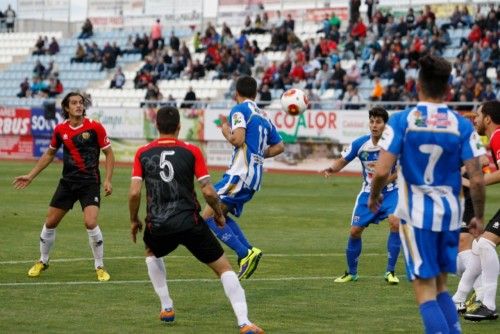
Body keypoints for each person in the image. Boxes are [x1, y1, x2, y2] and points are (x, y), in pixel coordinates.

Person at [368, 54, 486, 333]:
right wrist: (478, 216)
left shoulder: (402, 121)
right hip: (450, 214)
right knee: (441, 285)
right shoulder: (462, 124)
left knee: (424, 290)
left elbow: (383, 170)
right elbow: (478, 178)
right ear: (447, 88)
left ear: (417, 85)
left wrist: (374, 196)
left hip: (418, 215)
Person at [128, 106, 264, 334]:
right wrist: (219, 215)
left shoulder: (142, 152)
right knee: (224, 269)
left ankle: (167, 307)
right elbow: (209, 192)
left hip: (158, 224)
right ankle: (244, 322)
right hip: (190, 222)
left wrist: (134, 219)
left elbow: (134, 193)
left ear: (156, 126)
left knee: (151, 253)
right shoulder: (191, 151)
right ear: (179, 127)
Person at [12, 92, 115, 281]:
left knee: (90, 222)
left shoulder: (95, 127)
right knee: (50, 222)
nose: (79, 106)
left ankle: (99, 266)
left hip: (89, 183)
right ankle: (42, 261)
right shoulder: (60, 130)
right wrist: (30, 176)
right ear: (66, 108)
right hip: (67, 183)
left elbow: (109, 153)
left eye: (81, 103)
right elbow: (50, 154)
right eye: (74, 103)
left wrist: (108, 180)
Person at [202, 75, 284, 280]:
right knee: (221, 214)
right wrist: (258, 154)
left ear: (236, 94)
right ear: (255, 94)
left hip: (240, 172)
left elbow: (237, 140)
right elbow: (280, 146)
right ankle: (248, 251)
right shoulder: (264, 114)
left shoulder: (240, 109)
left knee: (208, 216)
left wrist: (225, 131)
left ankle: (244, 253)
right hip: (253, 175)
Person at [321, 107, 401, 284]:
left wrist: (384, 181)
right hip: (367, 193)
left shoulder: (394, 145)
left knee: (395, 222)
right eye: (372, 121)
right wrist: (332, 168)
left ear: (385, 125)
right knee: (355, 231)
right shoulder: (360, 144)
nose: (374, 125)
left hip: (392, 192)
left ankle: (390, 272)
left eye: (378, 122)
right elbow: (343, 160)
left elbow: (402, 170)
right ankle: (351, 273)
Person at [454, 100, 500, 321]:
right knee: (482, 244)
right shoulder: (494, 138)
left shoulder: (497, 136)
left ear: (488, 119)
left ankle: (483, 302)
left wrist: (472, 181)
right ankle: (473, 300)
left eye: (479, 116)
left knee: (482, 243)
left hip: (467, 202)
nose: (476, 119)